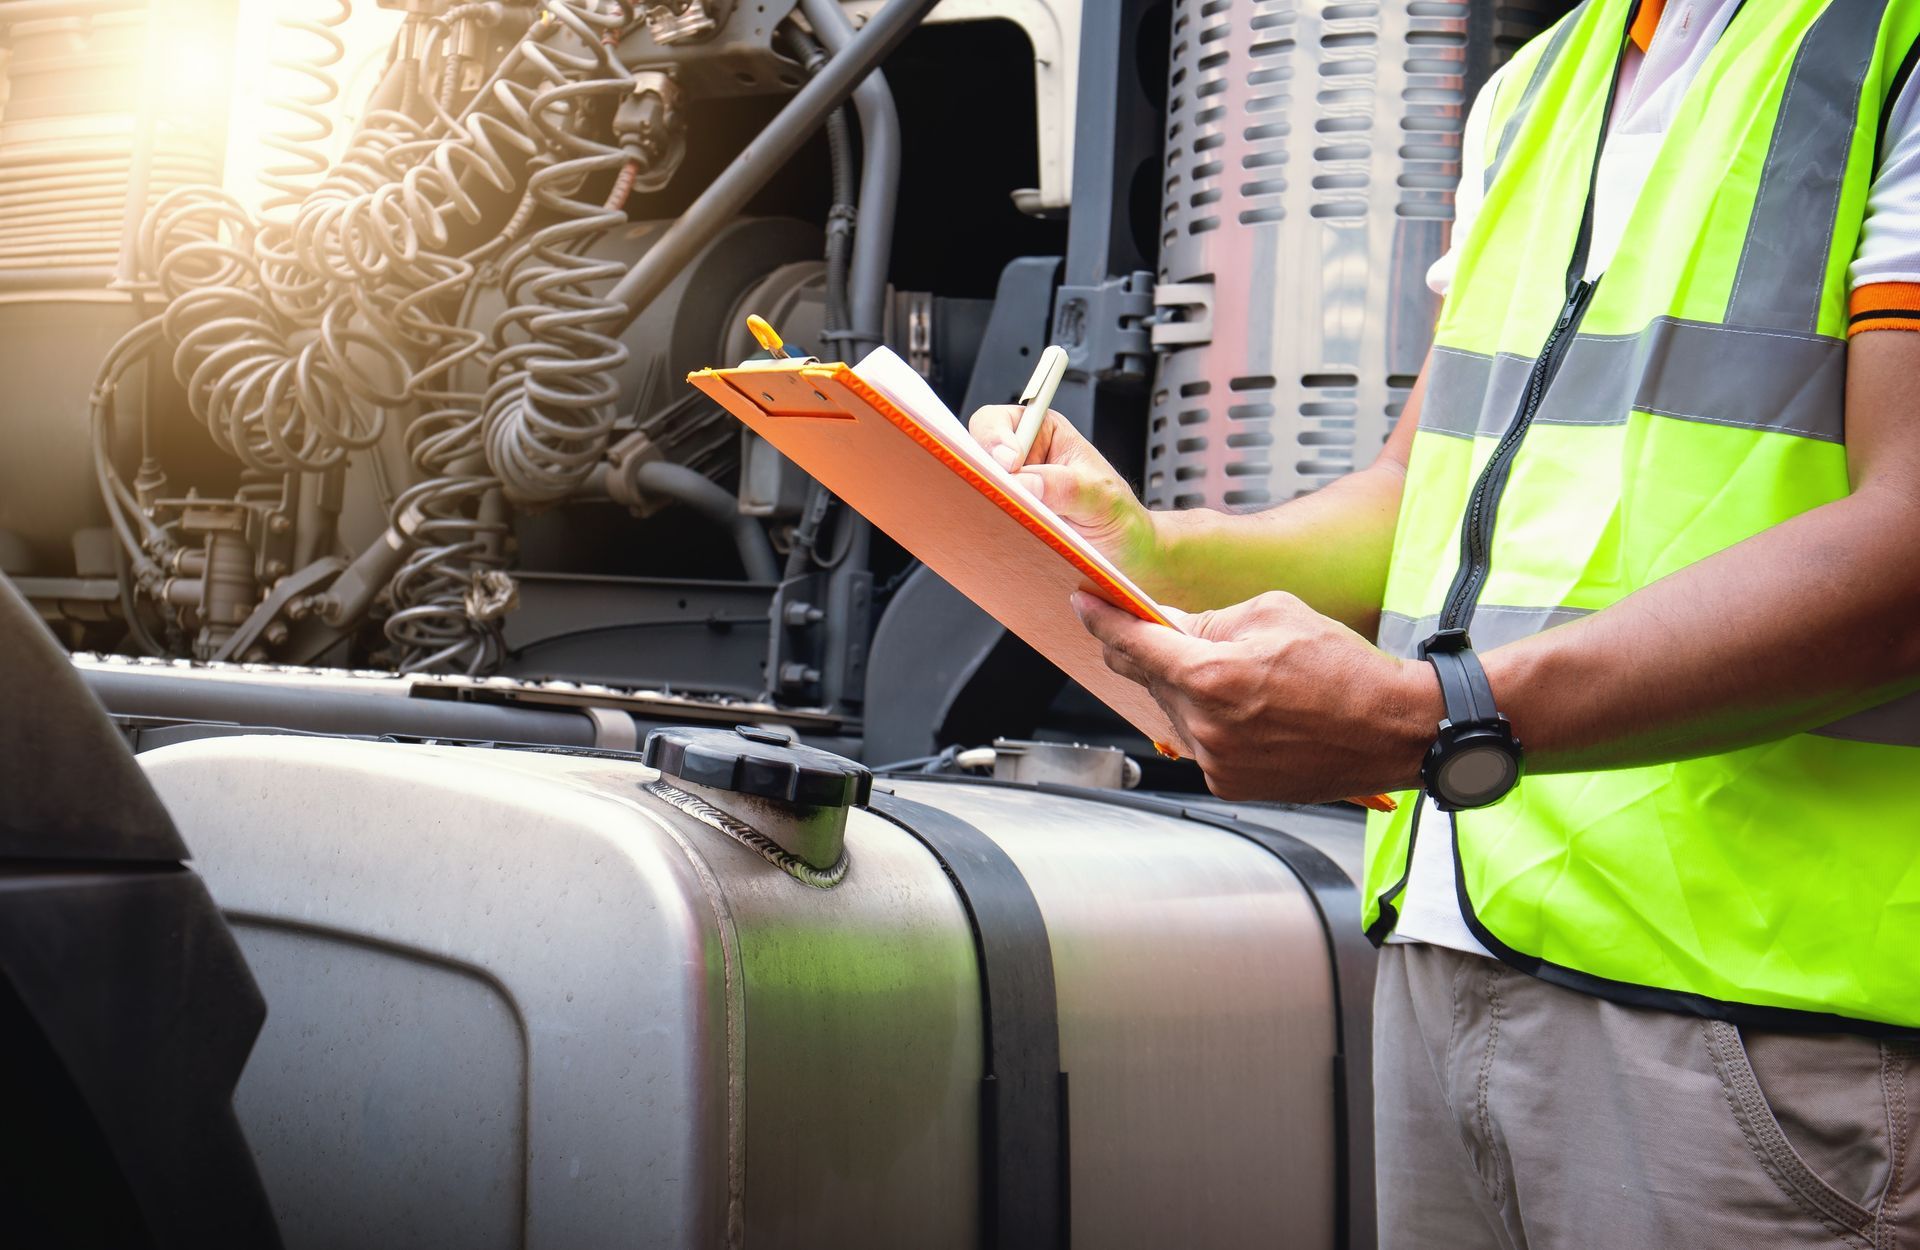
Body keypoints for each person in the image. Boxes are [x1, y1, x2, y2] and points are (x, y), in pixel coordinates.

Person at [971, 1, 1920, 1245]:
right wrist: (1152, 547)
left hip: (1758, 1024)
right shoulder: (1537, 86)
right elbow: (1418, 498)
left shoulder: (1886, 47)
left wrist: (1429, 717)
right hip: (1452, 965)